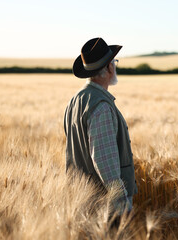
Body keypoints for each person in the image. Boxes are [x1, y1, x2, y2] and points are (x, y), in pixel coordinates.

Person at [64, 38, 137, 225]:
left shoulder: (75, 100)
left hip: (83, 198)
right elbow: (104, 161)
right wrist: (122, 204)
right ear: (110, 68)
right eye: (115, 63)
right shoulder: (101, 106)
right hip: (106, 204)